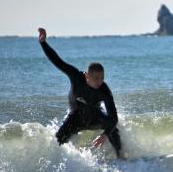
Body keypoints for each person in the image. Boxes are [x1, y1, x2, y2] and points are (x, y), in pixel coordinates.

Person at [38, 28, 122, 156]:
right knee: (58, 140)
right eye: (96, 78)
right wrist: (43, 43)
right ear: (87, 76)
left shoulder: (104, 89)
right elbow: (58, 61)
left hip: (95, 117)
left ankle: (122, 159)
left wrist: (105, 135)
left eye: (102, 78)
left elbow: (114, 118)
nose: (100, 82)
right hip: (76, 118)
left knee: (113, 130)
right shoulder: (76, 77)